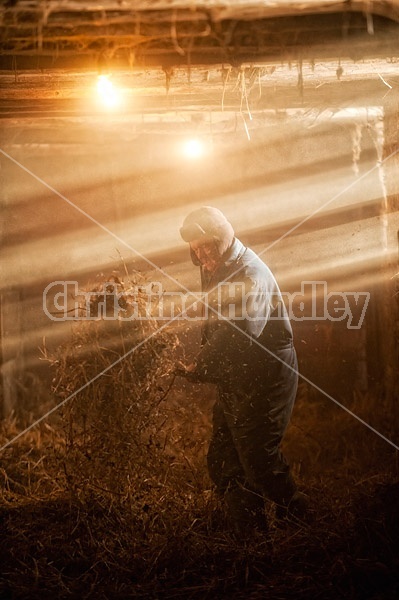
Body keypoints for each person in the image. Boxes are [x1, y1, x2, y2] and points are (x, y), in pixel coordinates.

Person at [176, 206, 307, 534]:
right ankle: (249, 534)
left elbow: (241, 331)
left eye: (206, 247)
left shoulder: (250, 273)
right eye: (196, 250)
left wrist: (201, 365)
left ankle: (301, 526)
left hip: (266, 371)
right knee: (223, 457)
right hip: (239, 370)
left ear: (220, 241)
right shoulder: (216, 264)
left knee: (259, 458)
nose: (202, 255)